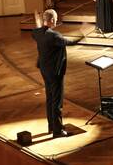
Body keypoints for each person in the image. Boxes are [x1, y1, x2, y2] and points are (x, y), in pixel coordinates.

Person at [32, 9, 78, 137]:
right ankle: (57, 131)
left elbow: (38, 29)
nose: (57, 22)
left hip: (44, 70)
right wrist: (82, 34)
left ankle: (51, 126)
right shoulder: (54, 36)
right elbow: (69, 42)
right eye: (56, 19)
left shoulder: (36, 33)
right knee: (57, 102)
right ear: (51, 20)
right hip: (55, 72)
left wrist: (38, 21)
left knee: (49, 98)